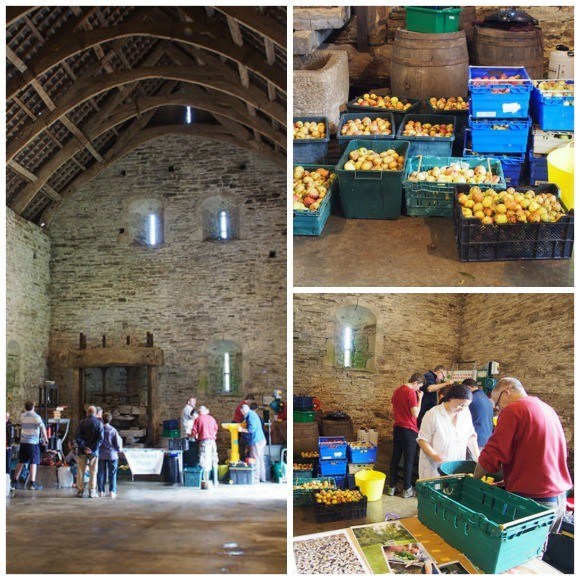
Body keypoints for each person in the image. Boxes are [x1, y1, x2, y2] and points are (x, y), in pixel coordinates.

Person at [474, 378, 572, 533]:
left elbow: (492, 453)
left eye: (497, 404)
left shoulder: (513, 410)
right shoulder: (546, 408)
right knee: (539, 551)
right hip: (558, 497)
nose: (499, 409)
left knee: (523, 553)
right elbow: (537, 452)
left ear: (506, 392)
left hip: (535, 500)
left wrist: (474, 481)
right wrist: (510, 480)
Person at [417, 384, 479, 480]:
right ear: (451, 398)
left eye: (466, 406)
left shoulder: (465, 412)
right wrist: (434, 455)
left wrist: (477, 458)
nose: (462, 408)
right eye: (460, 404)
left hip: (456, 467)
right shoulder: (433, 414)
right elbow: (422, 440)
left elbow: (470, 436)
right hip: (435, 468)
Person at [387, 373, 425, 499]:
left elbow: (390, 411)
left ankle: (391, 487)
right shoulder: (410, 393)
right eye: (419, 386)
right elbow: (415, 414)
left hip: (397, 428)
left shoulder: (397, 391)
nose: (418, 389)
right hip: (409, 430)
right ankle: (407, 489)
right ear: (415, 382)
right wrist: (420, 399)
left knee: (395, 458)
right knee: (408, 460)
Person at [12, 401, 48, 490]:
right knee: (33, 462)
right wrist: (46, 439)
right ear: (33, 407)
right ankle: (32, 483)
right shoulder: (36, 417)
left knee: (21, 461)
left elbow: (19, 425)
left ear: (25, 407)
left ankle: (15, 481)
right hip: (33, 443)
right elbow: (42, 428)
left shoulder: (22, 416)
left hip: (24, 442)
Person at [75, 406, 104, 498]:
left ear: (87, 413)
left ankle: (80, 491)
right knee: (93, 472)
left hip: (82, 451)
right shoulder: (99, 424)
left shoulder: (81, 423)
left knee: (80, 471)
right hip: (94, 452)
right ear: (95, 413)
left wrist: (84, 447)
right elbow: (100, 439)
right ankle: (92, 491)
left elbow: (78, 437)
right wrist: (92, 448)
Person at [463, 378, 494, 458]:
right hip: (487, 439)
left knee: (470, 467)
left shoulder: (471, 399)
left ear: (468, 388)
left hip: (476, 439)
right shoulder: (486, 398)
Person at [191, 406, 219, 487]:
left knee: (203, 460)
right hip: (212, 441)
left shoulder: (198, 419)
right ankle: (215, 481)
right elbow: (215, 429)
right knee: (214, 459)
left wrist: (193, 435)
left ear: (199, 412)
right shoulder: (212, 418)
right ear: (205, 411)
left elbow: (194, 432)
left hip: (204, 441)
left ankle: (204, 480)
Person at [97, 412, 123, 498]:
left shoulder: (99, 430)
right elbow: (117, 444)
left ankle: (101, 491)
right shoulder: (113, 430)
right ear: (110, 420)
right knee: (112, 473)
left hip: (101, 454)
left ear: (102, 419)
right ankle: (112, 491)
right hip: (112, 455)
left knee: (101, 473)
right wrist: (119, 450)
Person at [239, 404, 266, 483]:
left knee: (255, 459)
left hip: (256, 441)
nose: (242, 414)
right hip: (260, 440)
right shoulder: (252, 414)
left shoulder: (251, 416)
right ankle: (262, 478)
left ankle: (255, 478)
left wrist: (241, 430)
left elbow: (251, 430)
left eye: (242, 412)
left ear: (244, 410)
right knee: (260, 459)